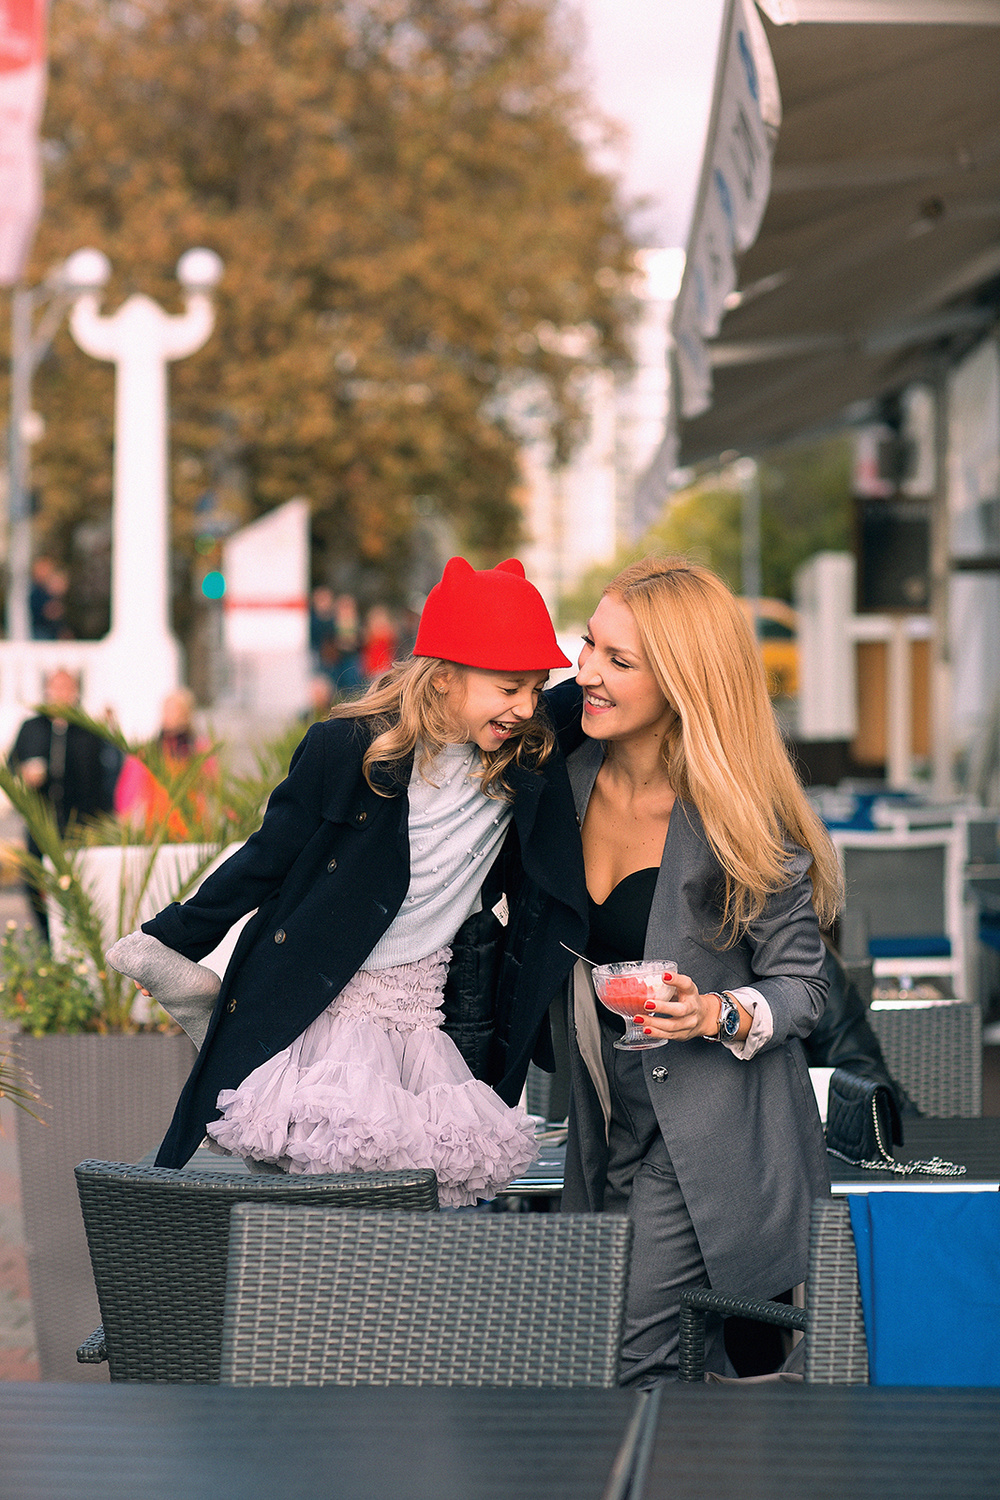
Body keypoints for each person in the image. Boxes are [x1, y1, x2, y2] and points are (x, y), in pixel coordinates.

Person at [108, 558, 588, 1207]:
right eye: (509, 686)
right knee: (315, 1176)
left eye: (537, 687)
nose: (526, 706)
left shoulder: (520, 751)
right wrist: (173, 937)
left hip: (423, 1005)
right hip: (328, 990)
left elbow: (602, 690)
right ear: (444, 676)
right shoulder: (349, 749)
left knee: (415, 1182)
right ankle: (207, 1005)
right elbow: (266, 857)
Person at [544, 557, 842, 1384]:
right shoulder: (559, 787)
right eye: (588, 645)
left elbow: (805, 987)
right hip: (602, 1120)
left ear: (681, 682)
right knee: (614, 1349)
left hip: (711, 1133)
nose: (586, 673)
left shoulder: (741, 811)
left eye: (619, 661)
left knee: (630, 1357)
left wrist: (715, 1012)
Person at [8, 669, 118, 938]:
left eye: (67, 687)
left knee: (77, 884)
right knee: (34, 881)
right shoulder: (31, 727)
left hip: (80, 823)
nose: (61, 693)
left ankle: (74, 940)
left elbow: (106, 775)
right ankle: (47, 938)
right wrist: (25, 774)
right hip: (40, 821)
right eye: (56, 686)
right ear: (47, 690)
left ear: (76, 691)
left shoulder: (89, 730)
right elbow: (11, 766)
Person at [114, 687, 214, 839]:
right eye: (166, 710)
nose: (169, 715)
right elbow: (127, 790)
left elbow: (214, 787)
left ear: (186, 713)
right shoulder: (147, 751)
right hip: (156, 832)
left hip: (193, 829)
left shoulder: (200, 749)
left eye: (175, 710)